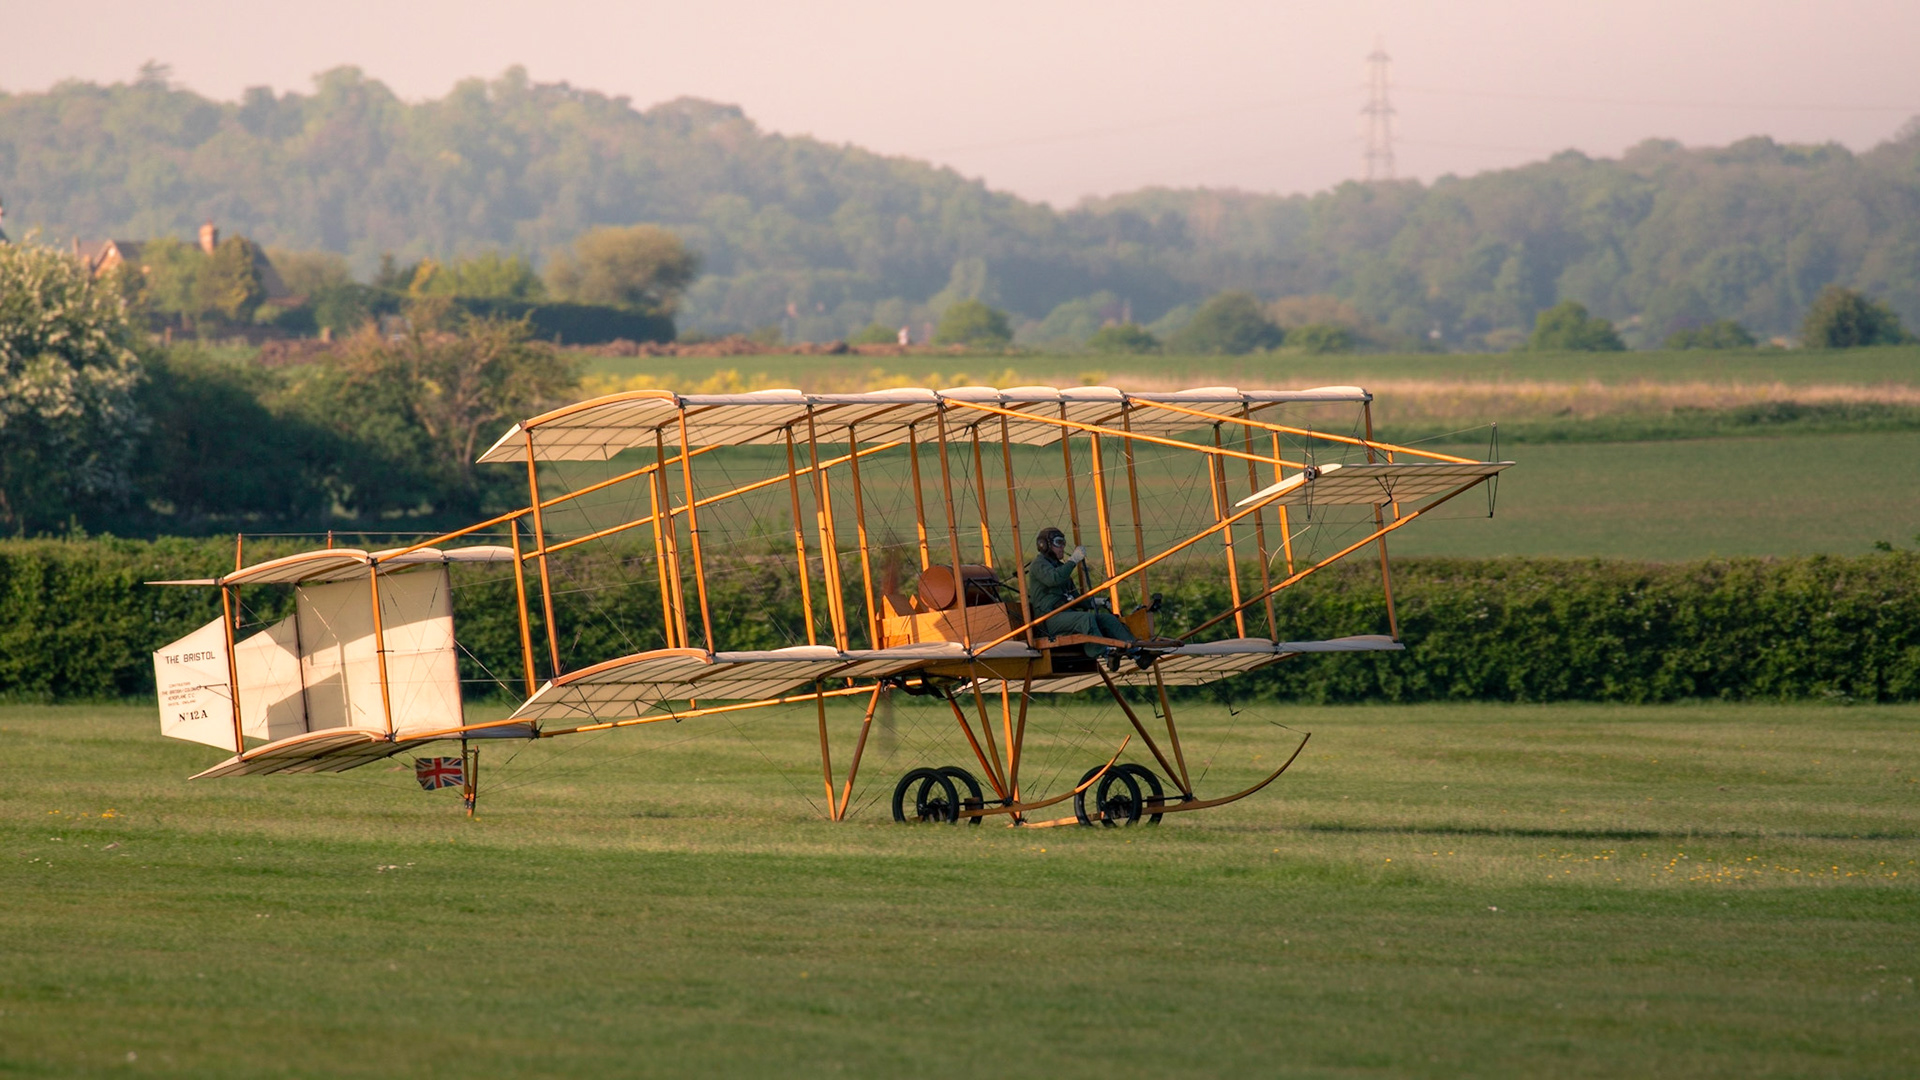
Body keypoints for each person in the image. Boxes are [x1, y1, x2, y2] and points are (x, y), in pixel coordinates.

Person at [1025, 526, 1140, 668]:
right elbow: (1054, 579)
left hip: (1066, 615)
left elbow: (1077, 599)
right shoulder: (1039, 564)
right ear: (1044, 545)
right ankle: (1103, 651)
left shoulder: (1060, 568)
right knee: (1085, 619)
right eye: (1058, 543)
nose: (1062, 547)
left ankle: (1136, 650)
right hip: (1048, 619)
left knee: (1107, 619)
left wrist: (1099, 602)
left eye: (1063, 543)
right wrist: (1073, 560)